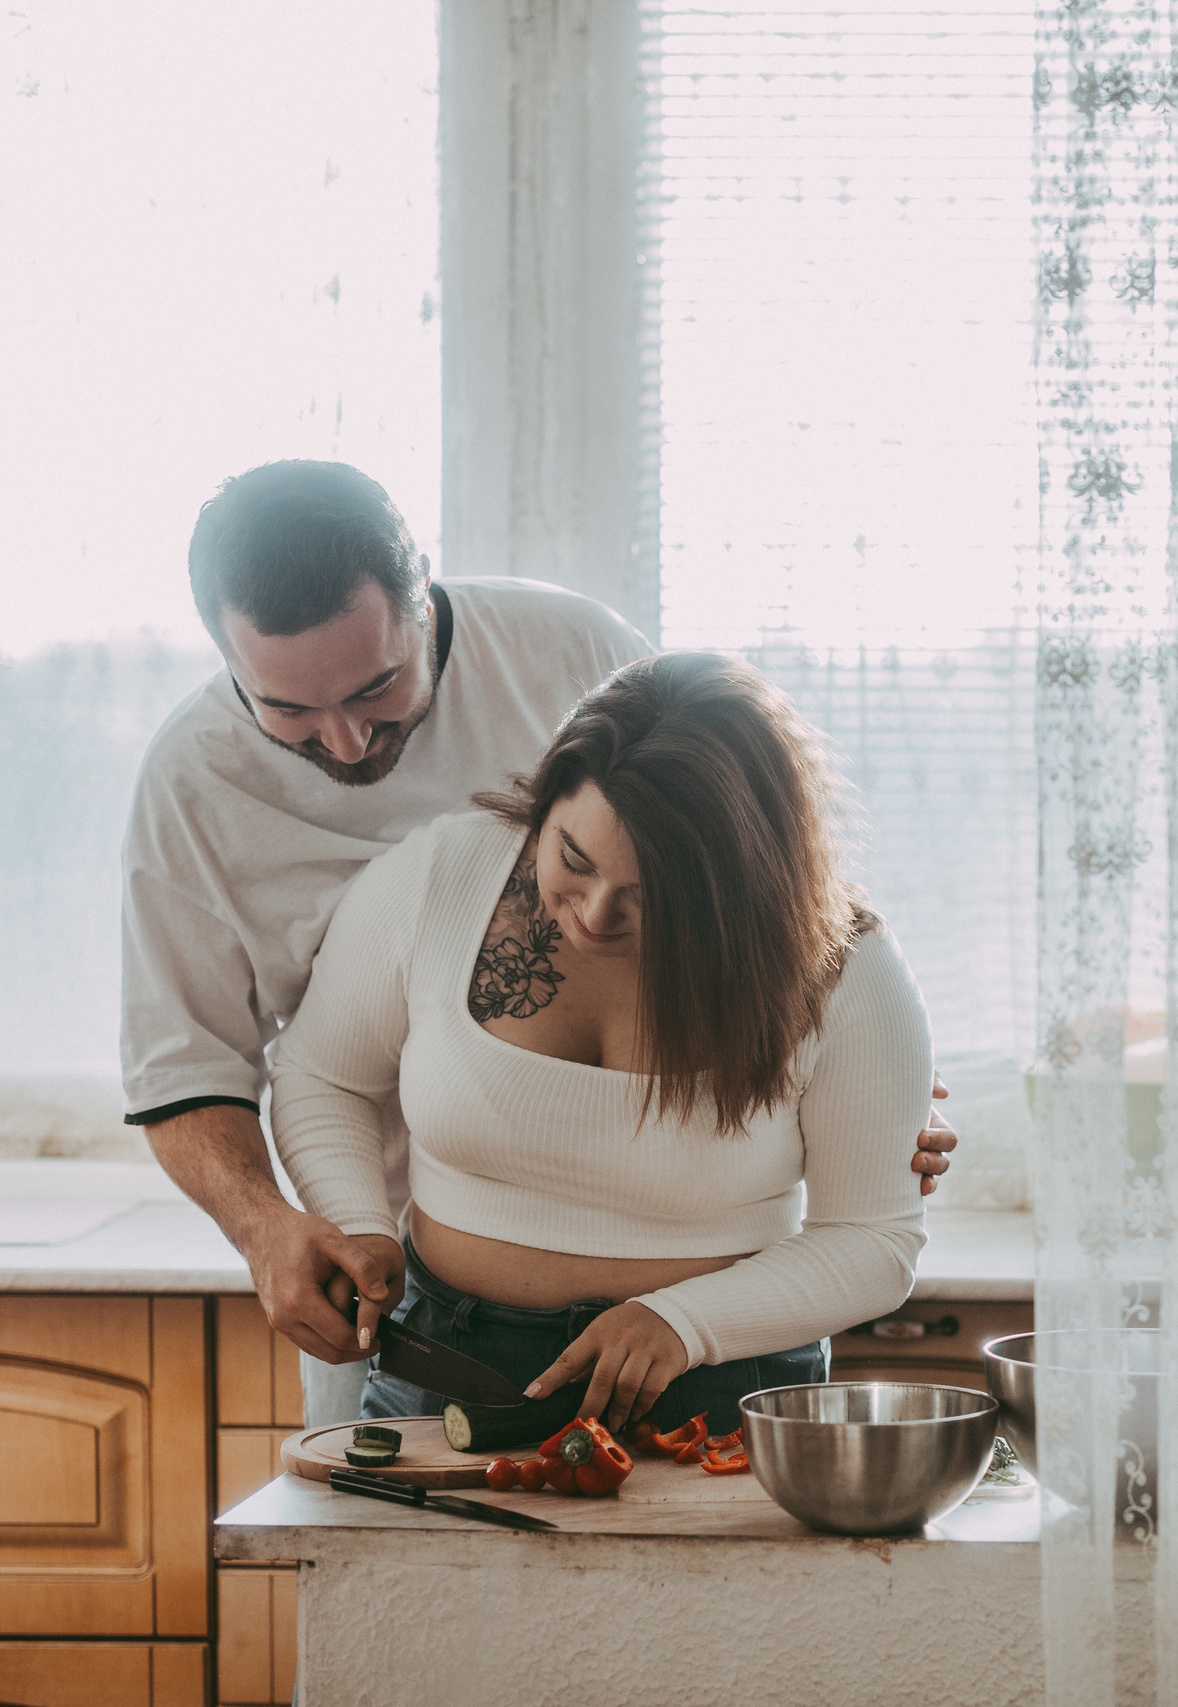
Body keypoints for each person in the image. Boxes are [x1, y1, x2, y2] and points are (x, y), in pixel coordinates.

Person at [122, 461, 955, 1427]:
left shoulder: (576, 651)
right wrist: (280, 1230)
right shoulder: (198, 789)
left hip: (718, 1355)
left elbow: (710, 807)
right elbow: (191, 1070)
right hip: (398, 1289)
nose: (346, 741)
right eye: (291, 712)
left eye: (377, 687)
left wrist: (875, 1101)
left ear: (422, 599)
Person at [268, 654, 928, 1432]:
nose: (594, 915)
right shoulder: (440, 875)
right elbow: (321, 1076)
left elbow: (874, 1240)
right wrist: (359, 1224)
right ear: (545, 804)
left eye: (649, 894)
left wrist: (682, 1323)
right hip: (445, 1366)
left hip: (722, 1387)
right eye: (572, 861)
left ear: (743, 885)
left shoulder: (846, 968)